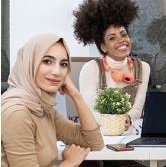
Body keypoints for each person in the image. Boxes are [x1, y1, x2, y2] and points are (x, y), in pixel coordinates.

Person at [1, 33, 104, 166]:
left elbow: (94, 142)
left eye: (63, 64)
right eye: (47, 61)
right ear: (29, 64)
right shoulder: (17, 113)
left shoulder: (44, 111)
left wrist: (76, 95)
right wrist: (70, 163)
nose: (57, 71)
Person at [72, 0, 150, 131]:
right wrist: (117, 121)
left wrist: (128, 118)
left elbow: (137, 110)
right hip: (98, 133)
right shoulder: (91, 69)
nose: (121, 41)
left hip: (129, 133)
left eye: (124, 34)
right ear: (103, 47)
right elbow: (90, 112)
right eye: (112, 38)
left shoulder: (143, 68)